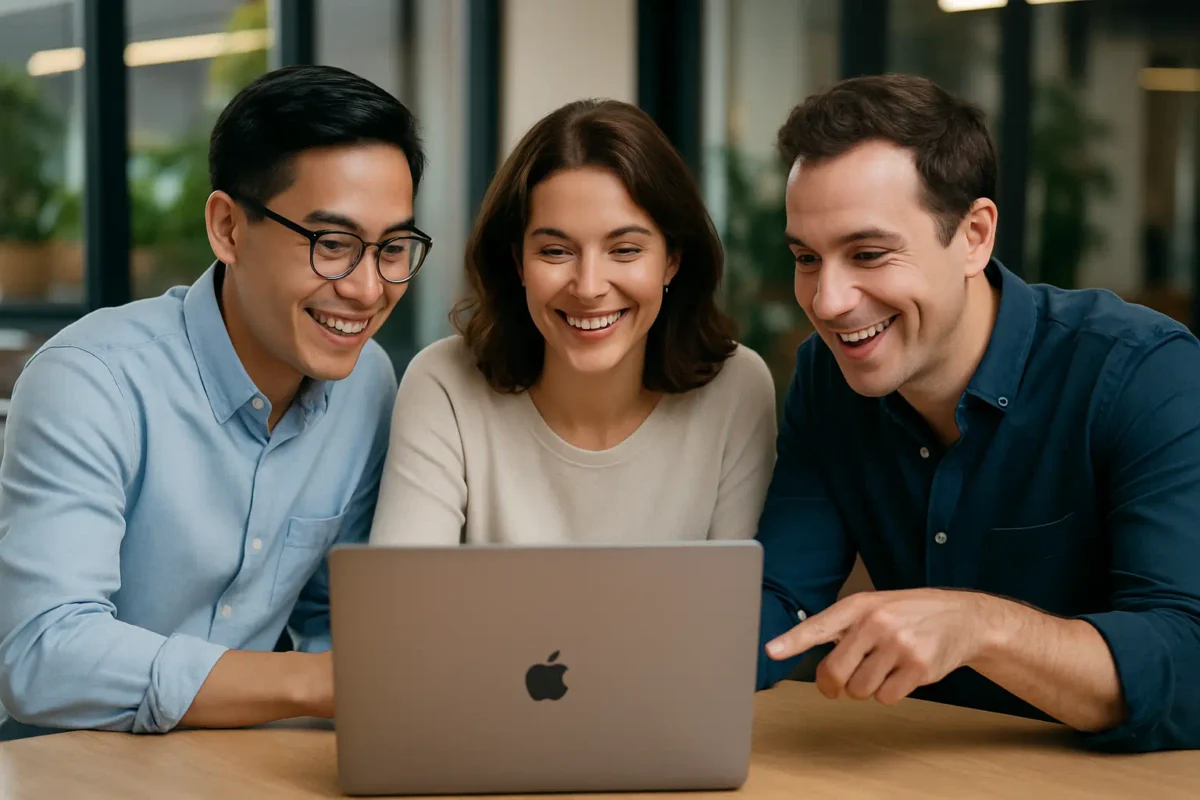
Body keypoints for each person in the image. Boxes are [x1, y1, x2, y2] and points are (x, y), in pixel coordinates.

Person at [755, 74, 1200, 753]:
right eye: (806, 259)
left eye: (868, 254)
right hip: (924, 775)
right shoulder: (829, 377)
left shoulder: (1144, 372)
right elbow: (783, 605)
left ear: (974, 236)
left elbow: (1187, 659)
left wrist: (982, 627)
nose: (827, 300)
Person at [0, 65, 430, 738]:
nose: (369, 290)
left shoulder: (366, 384)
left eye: (393, 248)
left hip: (236, 767)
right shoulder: (91, 379)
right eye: (333, 245)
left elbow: (334, 624)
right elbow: (44, 657)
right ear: (228, 228)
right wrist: (313, 683)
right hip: (60, 768)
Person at [369, 99, 776, 548]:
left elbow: (738, 607)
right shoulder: (444, 384)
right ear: (518, 262)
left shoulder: (737, 388)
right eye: (555, 251)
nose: (588, 287)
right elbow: (409, 608)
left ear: (672, 260)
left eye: (624, 250)